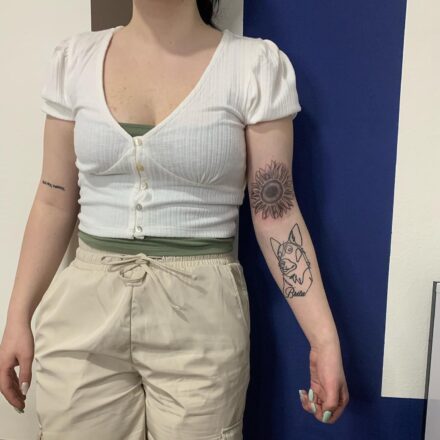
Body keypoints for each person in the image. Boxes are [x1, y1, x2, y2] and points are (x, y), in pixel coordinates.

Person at [0, 0, 349, 438]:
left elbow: (275, 212)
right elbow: (54, 200)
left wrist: (323, 338)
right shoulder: (75, 60)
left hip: (202, 316)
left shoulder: (253, 67)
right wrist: (18, 316)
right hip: (83, 313)